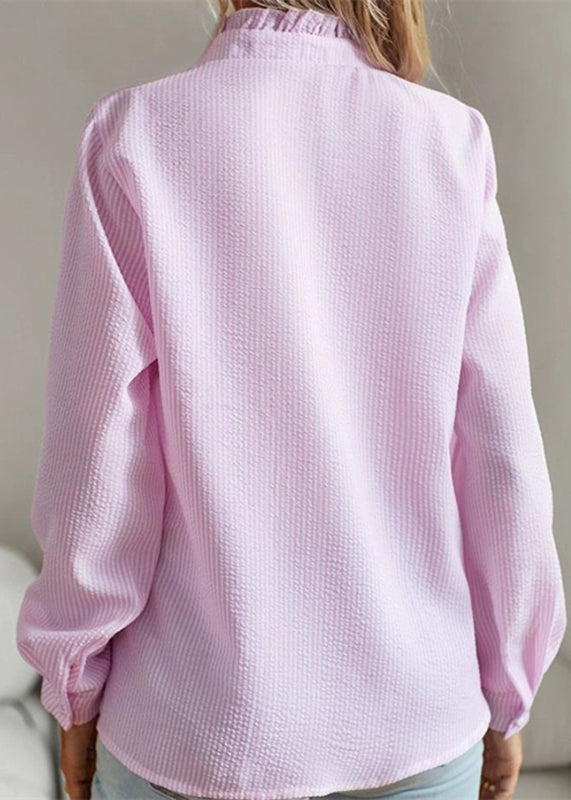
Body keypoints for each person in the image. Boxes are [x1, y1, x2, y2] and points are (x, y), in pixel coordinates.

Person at [16, 0, 567, 799]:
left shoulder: (135, 134)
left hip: (196, 732)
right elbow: (500, 455)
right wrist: (510, 690)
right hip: (416, 723)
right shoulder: (449, 143)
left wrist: (74, 685)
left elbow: (97, 462)